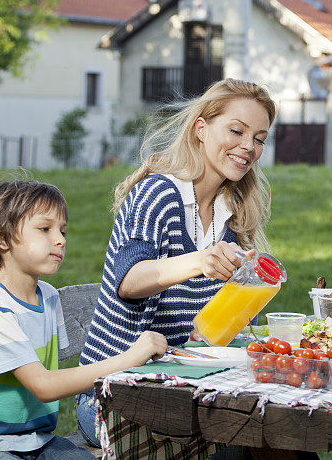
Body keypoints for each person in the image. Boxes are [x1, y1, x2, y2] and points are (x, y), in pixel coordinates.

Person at [76, 79, 277, 447]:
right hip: (114, 397)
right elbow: (129, 280)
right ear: (201, 128)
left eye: (260, 138)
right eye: (237, 130)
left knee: (261, 434)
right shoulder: (159, 194)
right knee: (240, 441)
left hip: (185, 393)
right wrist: (199, 261)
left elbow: (204, 330)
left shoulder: (231, 217)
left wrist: (241, 299)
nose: (249, 147)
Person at [0, 179, 167, 460]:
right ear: (2, 237)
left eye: (62, 230)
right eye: (45, 229)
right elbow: (44, 386)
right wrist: (131, 358)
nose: (60, 239)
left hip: (35, 441)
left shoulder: (48, 297)